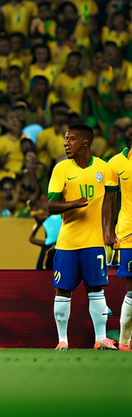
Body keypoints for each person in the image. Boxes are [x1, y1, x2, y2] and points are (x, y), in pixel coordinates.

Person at [47, 124, 118, 350]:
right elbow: (51, 205)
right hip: (67, 241)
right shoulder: (61, 169)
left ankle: (100, 339)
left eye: (72, 139)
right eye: (66, 139)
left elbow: (109, 201)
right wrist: (73, 203)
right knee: (63, 290)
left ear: (85, 143)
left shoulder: (104, 168)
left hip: (94, 241)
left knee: (96, 289)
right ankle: (62, 341)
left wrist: (109, 230)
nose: (66, 143)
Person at [107, 145, 132, 351]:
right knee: (131, 291)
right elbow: (110, 198)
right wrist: (108, 230)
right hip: (128, 233)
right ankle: (124, 341)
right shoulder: (116, 163)